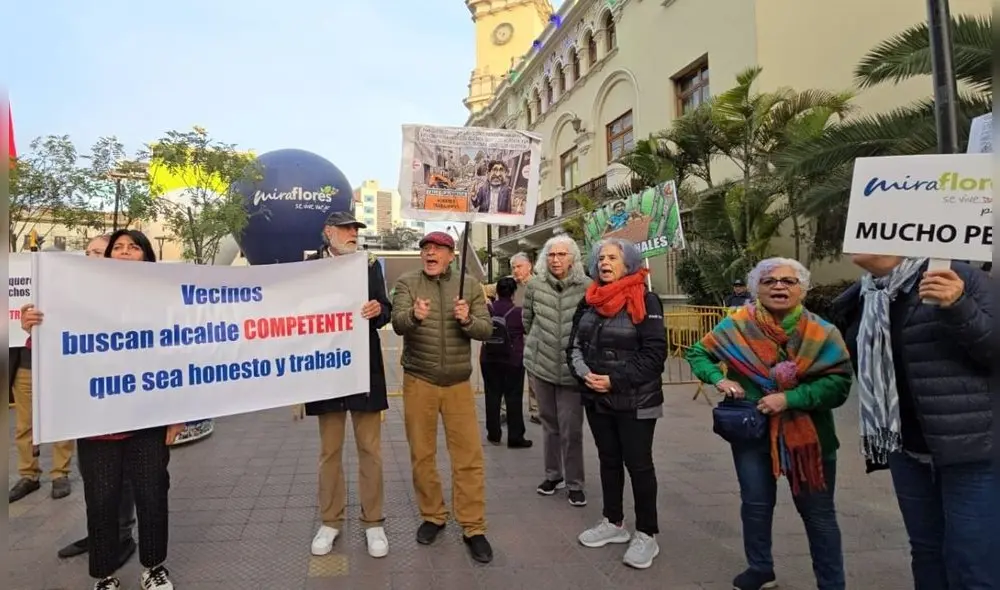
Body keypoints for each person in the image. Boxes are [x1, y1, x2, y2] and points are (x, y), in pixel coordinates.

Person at [22, 229, 185, 590]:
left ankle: (154, 567)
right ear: (108, 256)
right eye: (119, 247)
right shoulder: (78, 299)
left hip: (148, 417)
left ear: (147, 256)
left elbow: (177, 354)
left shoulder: (164, 298)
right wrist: (33, 327)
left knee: (152, 494)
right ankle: (104, 575)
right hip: (96, 422)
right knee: (101, 500)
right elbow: (54, 345)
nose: (126, 252)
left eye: (134, 247)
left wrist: (177, 413)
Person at [686, 257, 853, 590]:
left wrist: (789, 399)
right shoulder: (736, 326)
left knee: (819, 516)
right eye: (770, 280)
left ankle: (832, 584)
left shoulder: (822, 332)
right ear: (755, 288)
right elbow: (698, 353)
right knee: (756, 505)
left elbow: (839, 385)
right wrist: (719, 381)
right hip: (753, 433)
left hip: (810, 440)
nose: (779, 286)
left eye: (788, 281)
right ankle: (760, 569)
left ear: (802, 288)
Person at [830, 255, 994, 588]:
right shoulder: (864, 295)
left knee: (973, 560)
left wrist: (959, 305)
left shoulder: (958, 275)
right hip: (905, 448)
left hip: (970, 450)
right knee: (926, 551)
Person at [391, 231, 495, 563]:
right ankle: (433, 516)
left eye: (437, 249)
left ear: (452, 255)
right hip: (418, 380)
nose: (430, 253)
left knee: (468, 457)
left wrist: (467, 320)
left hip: (458, 385)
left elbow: (486, 330)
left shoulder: (469, 286)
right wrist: (413, 316)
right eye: (425, 249)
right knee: (422, 454)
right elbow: (397, 323)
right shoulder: (408, 283)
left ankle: (473, 526)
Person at [568, 238, 666, 569]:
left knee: (638, 465)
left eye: (612, 257)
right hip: (597, 397)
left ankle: (647, 535)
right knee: (609, 460)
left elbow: (654, 355)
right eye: (601, 258)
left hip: (637, 399)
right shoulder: (589, 300)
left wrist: (614, 380)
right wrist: (585, 375)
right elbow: (574, 346)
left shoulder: (647, 299)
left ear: (629, 264)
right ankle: (613, 523)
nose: (604, 262)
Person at [304, 211, 392, 559]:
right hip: (326, 373)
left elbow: (385, 309)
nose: (353, 234)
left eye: (356, 229)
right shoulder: (307, 267)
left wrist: (377, 310)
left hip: (363, 370)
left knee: (370, 450)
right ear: (328, 232)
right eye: (346, 229)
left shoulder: (368, 266)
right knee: (329, 452)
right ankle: (330, 520)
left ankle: (373, 522)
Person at [56, 235, 138, 565]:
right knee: (95, 478)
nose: (91, 257)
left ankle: (121, 534)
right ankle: (100, 534)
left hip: (130, 404)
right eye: (87, 252)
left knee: (126, 476)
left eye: (98, 252)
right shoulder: (75, 297)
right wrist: (34, 327)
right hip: (90, 406)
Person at [523, 235, 589, 505]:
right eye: (551, 255)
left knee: (571, 428)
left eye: (562, 254)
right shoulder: (535, 286)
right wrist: (539, 347)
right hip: (542, 366)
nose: (556, 259)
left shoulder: (587, 287)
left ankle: (575, 482)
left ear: (572, 257)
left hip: (574, 371)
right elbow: (528, 320)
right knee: (549, 424)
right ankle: (553, 475)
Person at [9, 341, 74, 502]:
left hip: (58, 362)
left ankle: (60, 473)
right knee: (24, 425)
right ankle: (28, 474)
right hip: (24, 365)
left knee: (61, 420)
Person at [480, 276, 531, 448]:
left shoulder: (488, 309)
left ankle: (493, 433)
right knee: (513, 397)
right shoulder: (518, 312)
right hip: (513, 360)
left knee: (492, 395)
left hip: (489, 358)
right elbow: (527, 329)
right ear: (513, 293)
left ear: (497, 291)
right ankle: (515, 436)